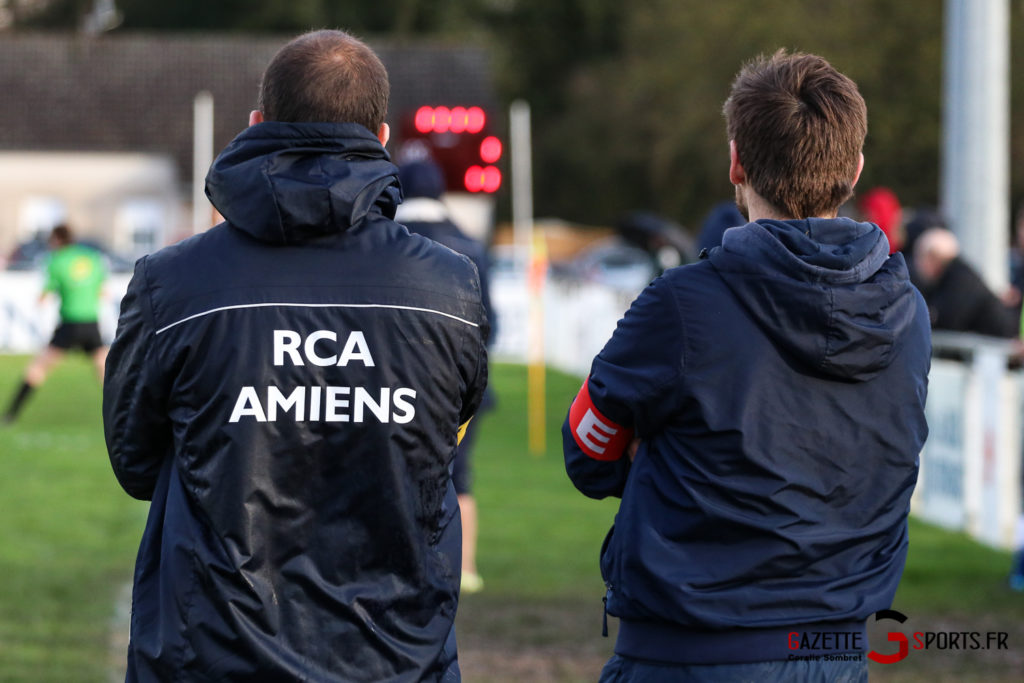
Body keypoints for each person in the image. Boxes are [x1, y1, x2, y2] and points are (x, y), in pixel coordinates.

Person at [103, 30, 488, 682]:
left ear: (257, 125)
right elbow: (444, 444)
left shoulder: (173, 282)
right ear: (383, 137)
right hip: (395, 659)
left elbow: (136, 461)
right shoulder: (447, 287)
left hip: (213, 658)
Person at [563, 50, 929, 682]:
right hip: (838, 657)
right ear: (856, 169)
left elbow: (590, 450)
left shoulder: (682, 304)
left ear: (735, 160)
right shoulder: (910, 312)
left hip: (690, 658)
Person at [395, 158, 494, 594]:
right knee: (459, 474)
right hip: (455, 386)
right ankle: (465, 566)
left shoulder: (384, 237)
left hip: (392, 378)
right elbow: (491, 324)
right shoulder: (469, 245)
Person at [3, 224, 108, 423]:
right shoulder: (91, 258)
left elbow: (44, 296)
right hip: (91, 322)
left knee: (38, 368)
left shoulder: (56, 260)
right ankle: (124, 413)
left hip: (69, 323)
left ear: (57, 240)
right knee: (105, 371)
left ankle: (11, 413)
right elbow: (103, 291)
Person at [913, 227, 1018, 338]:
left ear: (933, 256)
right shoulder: (952, 276)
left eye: (921, 257)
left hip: (996, 347)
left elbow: (949, 320)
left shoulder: (959, 279)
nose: (918, 265)